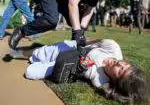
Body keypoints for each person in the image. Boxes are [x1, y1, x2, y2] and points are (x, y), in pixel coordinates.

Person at [10, 39, 149, 104]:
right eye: (126, 65)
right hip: (71, 49)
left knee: (30, 72)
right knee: (40, 53)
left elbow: (113, 93)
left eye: (120, 71)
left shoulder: (102, 82)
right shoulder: (113, 48)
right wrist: (79, 43)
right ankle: (27, 53)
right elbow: (93, 41)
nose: (120, 64)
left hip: (65, 64)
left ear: (115, 81)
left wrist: (80, 67)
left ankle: (37, 59)